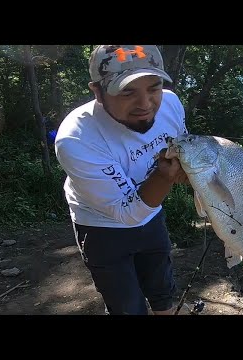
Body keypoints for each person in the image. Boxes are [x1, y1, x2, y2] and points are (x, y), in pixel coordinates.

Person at [54, 45, 189, 315]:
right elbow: (125, 213)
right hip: (101, 227)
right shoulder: (77, 139)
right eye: (127, 91)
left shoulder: (171, 103)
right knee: (126, 307)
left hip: (152, 215)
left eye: (154, 87)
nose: (146, 104)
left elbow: (184, 153)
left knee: (163, 293)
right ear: (97, 92)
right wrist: (165, 177)